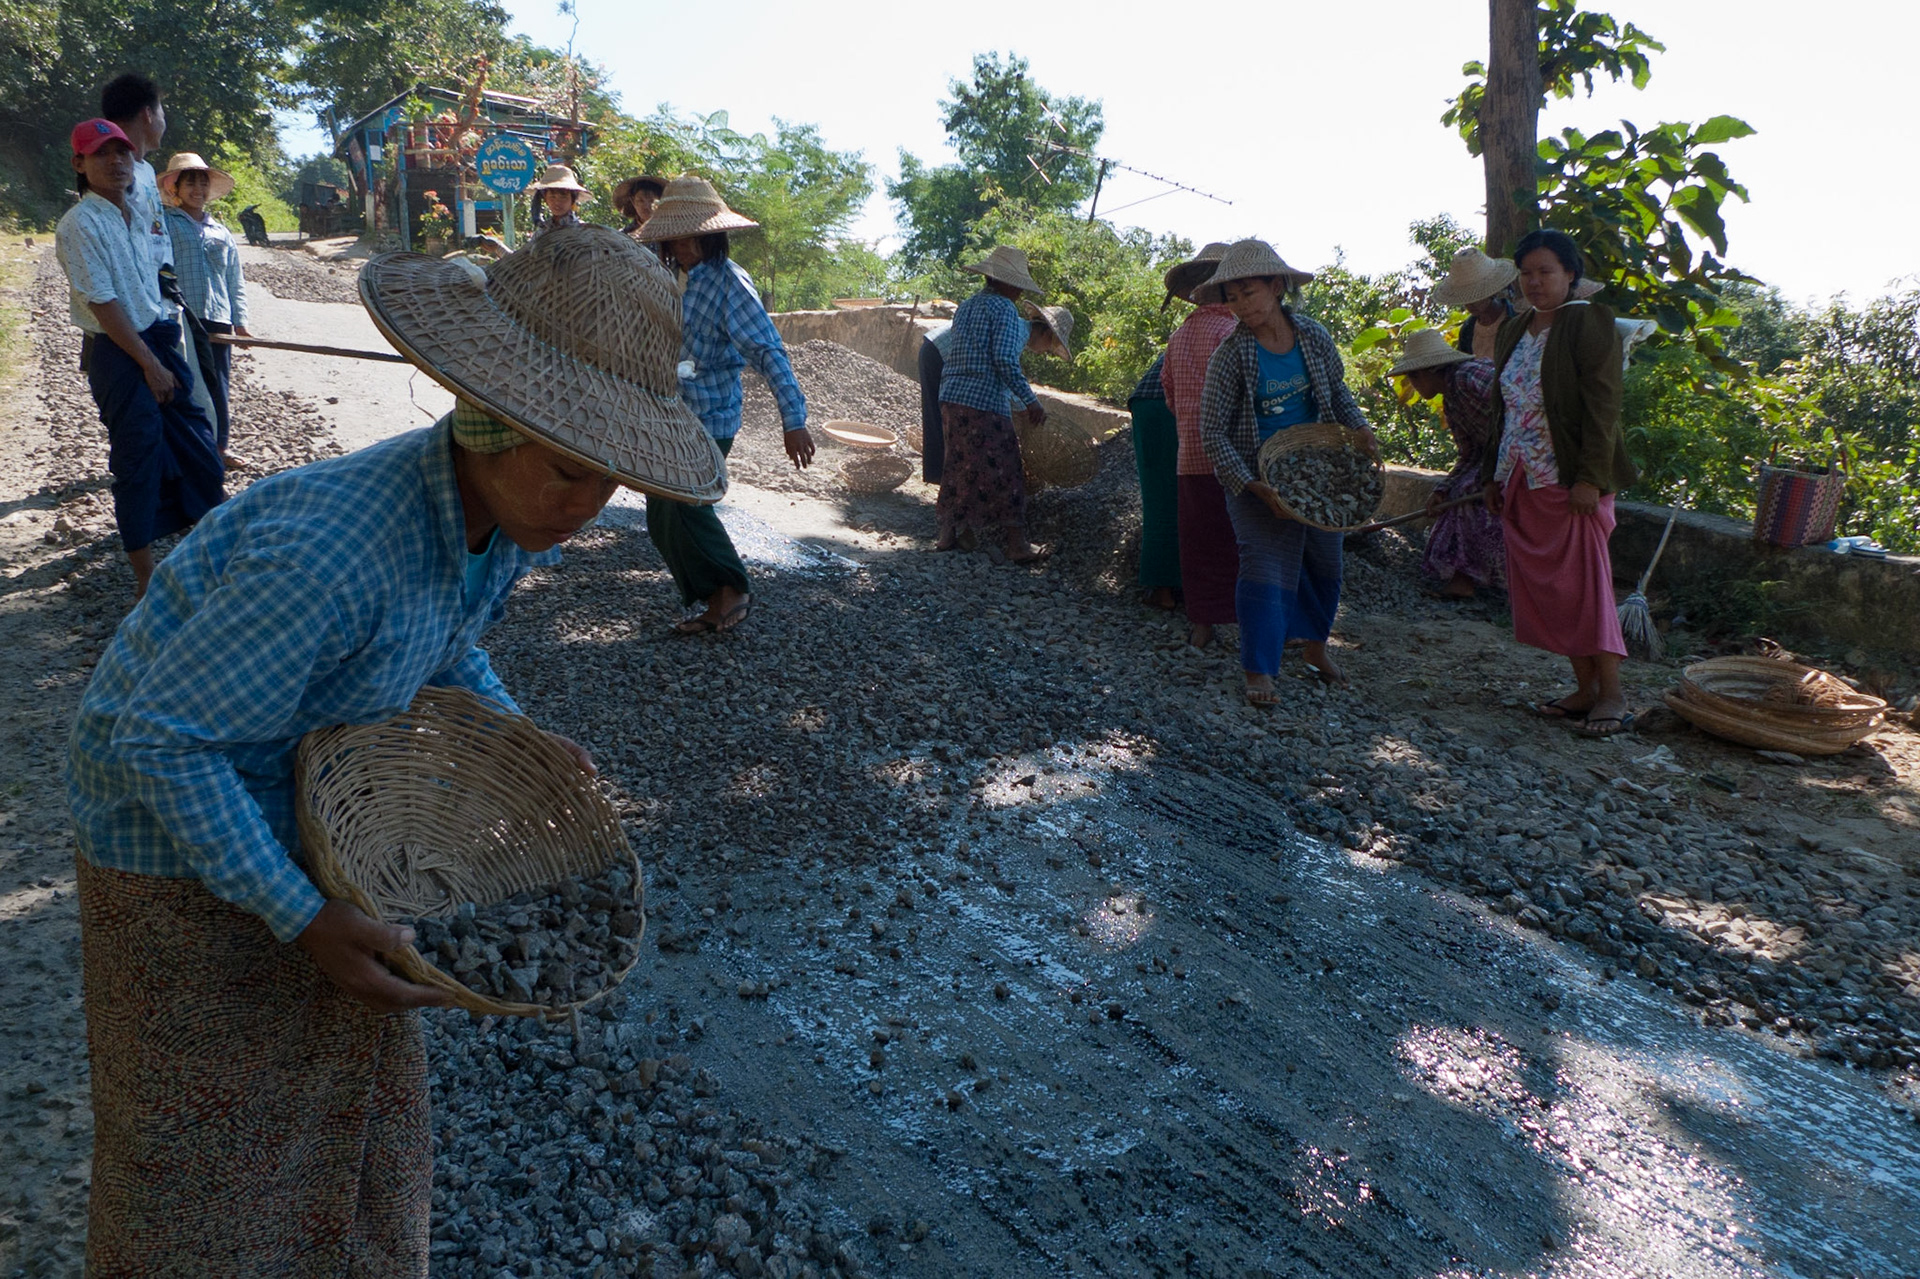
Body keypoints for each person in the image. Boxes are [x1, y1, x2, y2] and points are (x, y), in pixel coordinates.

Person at [67, 225, 719, 1274]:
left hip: (299, 808)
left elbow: (445, 641)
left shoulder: (497, 522)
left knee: (347, 1112)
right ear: (489, 420)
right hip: (166, 845)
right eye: (570, 472)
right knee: (202, 1167)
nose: (588, 507)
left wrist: (511, 729)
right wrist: (303, 913)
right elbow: (164, 743)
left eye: (611, 485)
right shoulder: (328, 554)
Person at [1195, 239, 1376, 707]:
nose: (1240, 306)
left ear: (1277, 287)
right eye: (1232, 297)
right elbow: (1212, 432)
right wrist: (1252, 486)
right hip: (1255, 474)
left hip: (1316, 468)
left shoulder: (1312, 336)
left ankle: (1315, 648)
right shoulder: (1231, 355)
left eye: (1248, 293)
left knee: (1325, 563)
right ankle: (1259, 670)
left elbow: (1336, 392)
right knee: (1264, 567)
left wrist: (1360, 428)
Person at [56, 119, 224, 601]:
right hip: (118, 348)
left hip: (157, 335)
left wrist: (166, 339)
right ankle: (146, 575)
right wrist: (150, 365)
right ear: (80, 164)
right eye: (102, 154)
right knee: (138, 457)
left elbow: (154, 275)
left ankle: (211, 552)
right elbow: (103, 303)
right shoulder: (79, 224)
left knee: (198, 445)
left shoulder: (139, 211)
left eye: (123, 153)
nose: (116, 162)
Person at [1479, 227, 1637, 737]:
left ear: (1571, 274)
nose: (1535, 282)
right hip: (1520, 476)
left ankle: (1611, 694)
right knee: (1554, 593)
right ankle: (1584, 689)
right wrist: (1492, 474)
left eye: (1546, 271)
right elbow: (1502, 409)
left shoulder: (1589, 321)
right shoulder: (1513, 329)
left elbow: (1603, 406)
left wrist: (1590, 478)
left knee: (1585, 588)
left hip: (1569, 482)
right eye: (1526, 273)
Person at [638, 174, 813, 633]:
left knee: (686, 503)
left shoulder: (730, 283)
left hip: (712, 413)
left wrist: (793, 419)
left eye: (690, 235)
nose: (682, 244)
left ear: (711, 234)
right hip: (673, 410)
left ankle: (732, 589)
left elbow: (767, 350)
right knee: (662, 510)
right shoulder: (677, 278)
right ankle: (716, 595)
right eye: (674, 236)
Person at [936, 245, 1051, 563]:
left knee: (957, 462)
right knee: (1008, 467)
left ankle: (948, 532)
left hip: (951, 394)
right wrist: (1031, 401)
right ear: (1010, 283)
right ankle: (1017, 543)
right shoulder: (1003, 310)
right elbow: (1002, 360)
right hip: (983, 401)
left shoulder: (968, 305)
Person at [1389, 328, 1505, 600]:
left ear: (1430, 371)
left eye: (1414, 378)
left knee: (1470, 492)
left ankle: (1477, 577)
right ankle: (1463, 578)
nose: (1413, 385)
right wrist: (1442, 489)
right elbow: (1470, 454)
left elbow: (1518, 405)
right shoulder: (1452, 402)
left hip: (1523, 451)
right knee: (1458, 491)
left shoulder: (1468, 377)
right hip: (1495, 460)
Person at [1161, 242, 1238, 644]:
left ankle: (1202, 625)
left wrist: (1192, 424)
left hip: (1189, 453)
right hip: (1232, 457)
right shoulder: (1233, 332)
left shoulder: (1179, 335)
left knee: (1198, 540)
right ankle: (1251, 620)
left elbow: (1169, 393)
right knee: (1239, 539)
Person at [160, 151, 250, 469]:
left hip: (217, 317)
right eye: (190, 182)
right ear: (175, 187)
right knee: (184, 382)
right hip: (182, 316)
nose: (197, 189)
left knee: (218, 384)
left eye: (202, 182)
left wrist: (240, 321)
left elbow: (233, 278)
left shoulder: (220, 231)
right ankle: (188, 448)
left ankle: (220, 447)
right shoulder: (164, 224)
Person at [917, 302, 1071, 486]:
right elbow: (1005, 370)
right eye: (1050, 346)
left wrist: (1022, 406)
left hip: (934, 349)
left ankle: (945, 479)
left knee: (943, 419)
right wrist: (1028, 405)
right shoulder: (1015, 331)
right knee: (938, 419)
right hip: (938, 352)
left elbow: (1005, 374)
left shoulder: (1017, 330)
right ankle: (942, 477)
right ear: (1046, 334)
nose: (1045, 351)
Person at [100, 73, 171, 279]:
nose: (164, 125)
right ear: (147, 114)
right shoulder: (115, 174)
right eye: (162, 116)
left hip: (158, 298)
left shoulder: (146, 169)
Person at [1127, 350, 1178, 607]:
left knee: (1166, 499)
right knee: (1167, 500)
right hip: (1161, 407)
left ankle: (1169, 585)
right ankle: (1162, 589)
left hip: (1152, 405)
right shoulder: (1232, 333)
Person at [527, 164, 591, 236]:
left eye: (563, 197)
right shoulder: (541, 232)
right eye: (552, 197)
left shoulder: (582, 232)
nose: (557, 202)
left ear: (572, 199)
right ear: (545, 199)